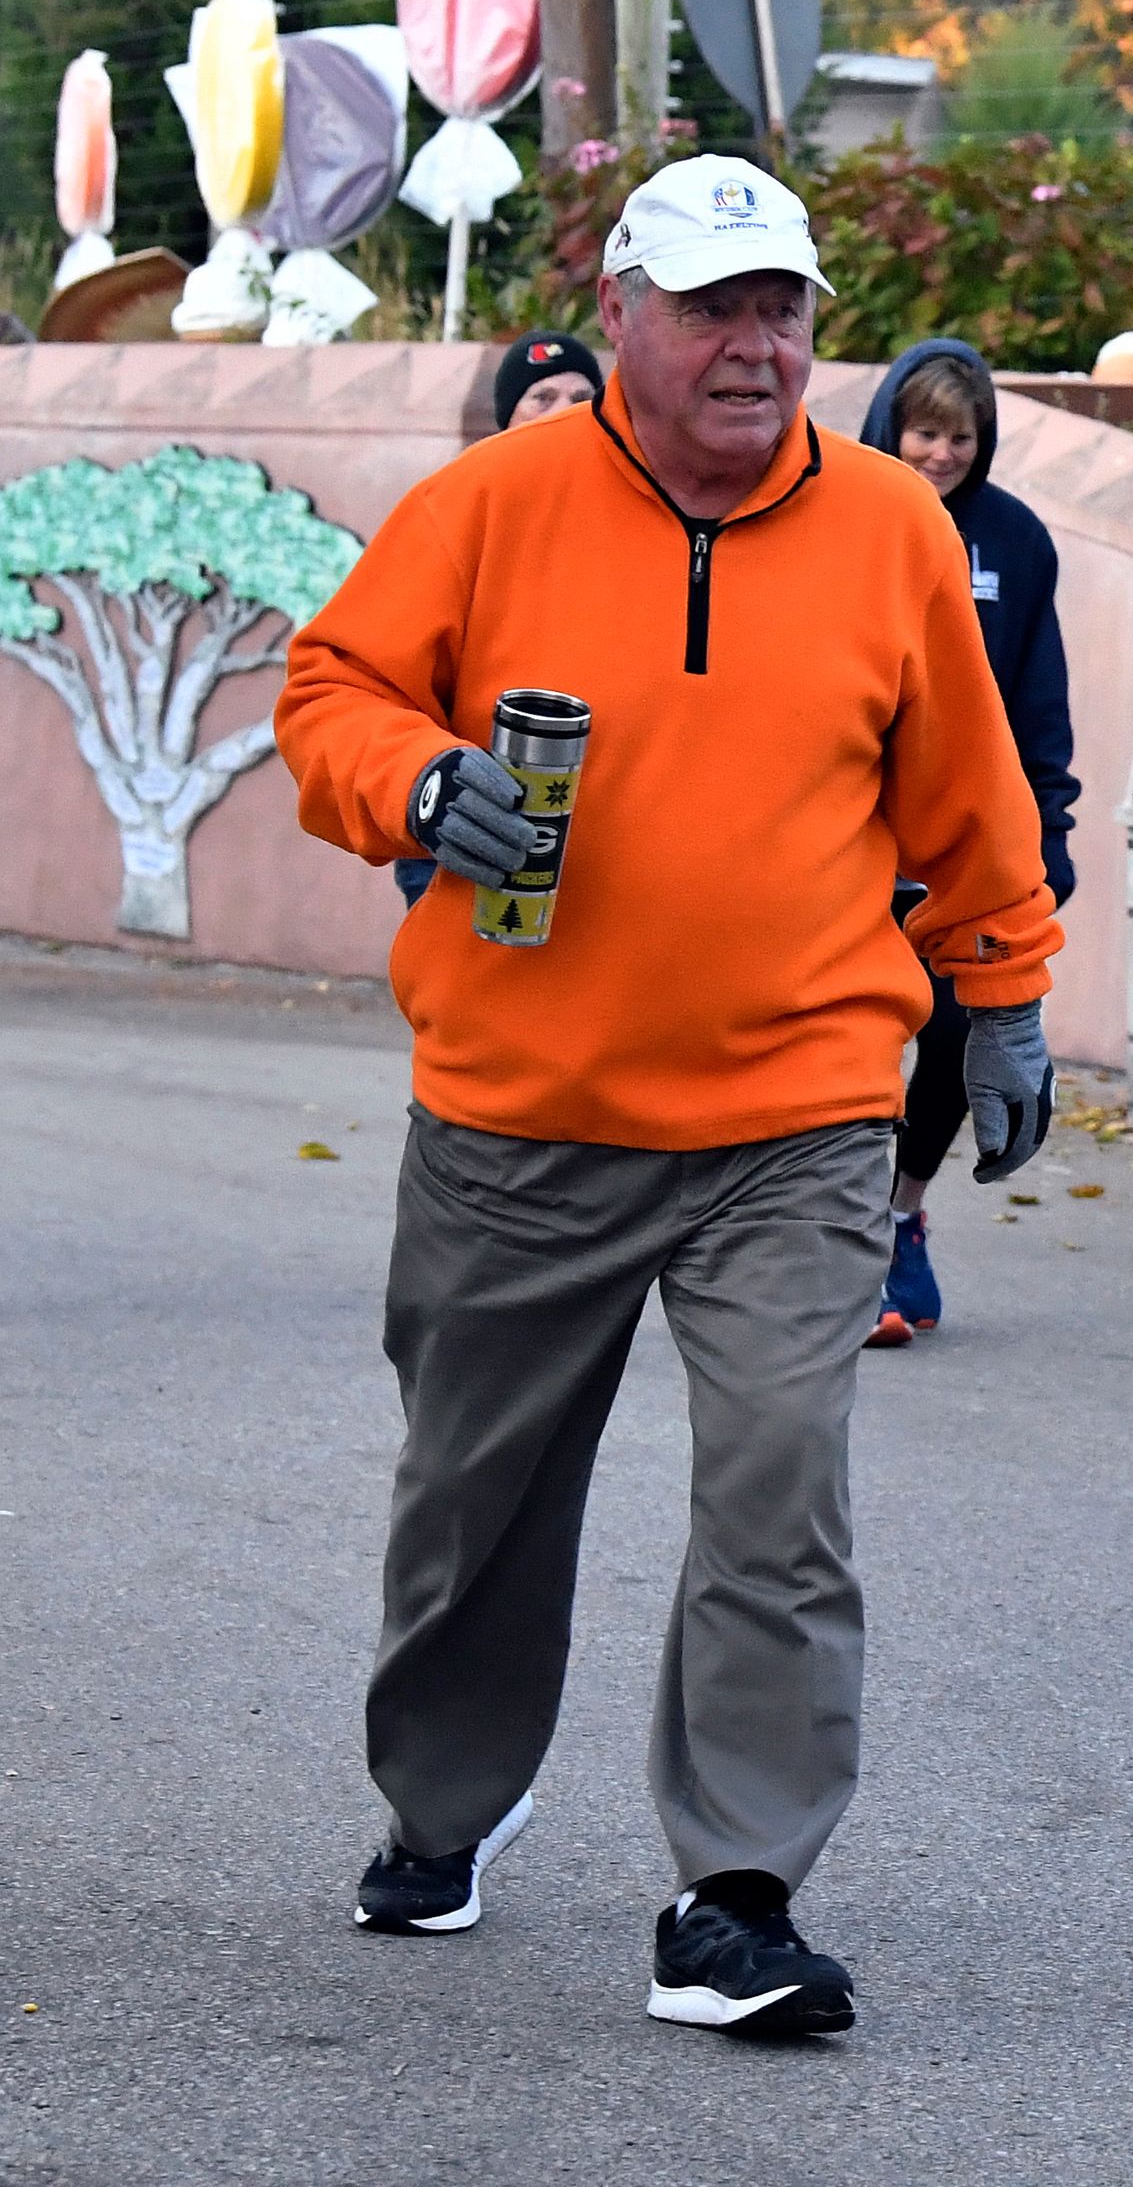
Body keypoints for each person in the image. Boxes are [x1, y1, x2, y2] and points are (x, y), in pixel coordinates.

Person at [274, 155, 1062, 2040]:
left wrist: (1007, 997)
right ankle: (444, 1805)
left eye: (781, 307)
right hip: (520, 1111)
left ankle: (738, 1892)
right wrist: (413, 784)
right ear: (620, 313)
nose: (754, 343)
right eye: (712, 306)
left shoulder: (886, 531)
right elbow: (329, 691)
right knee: (477, 1500)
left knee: (782, 1485)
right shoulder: (491, 504)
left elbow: (969, 794)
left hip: (794, 1115)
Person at [857, 338, 1078, 1344]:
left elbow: (1037, 705)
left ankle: (901, 1212)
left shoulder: (1018, 543)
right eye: (924, 433)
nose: (940, 454)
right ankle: (845, 1240)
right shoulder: (840, 521)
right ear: (888, 430)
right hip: (850, 851)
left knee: (952, 1041)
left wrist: (1047, 839)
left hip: (962, 862)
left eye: (960, 437)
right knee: (853, 1046)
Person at [391, 332, 608, 910]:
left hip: (592, 840)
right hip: (465, 828)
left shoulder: (632, 525)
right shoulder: (457, 516)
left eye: (580, 397)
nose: (564, 413)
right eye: (542, 397)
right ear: (505, 418)